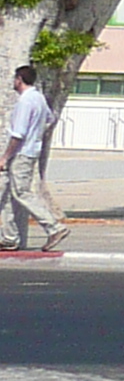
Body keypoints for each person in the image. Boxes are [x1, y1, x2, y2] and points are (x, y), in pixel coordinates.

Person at [2, 63, 67, 252]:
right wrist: (37, 135)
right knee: (10, 194)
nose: (13, 82)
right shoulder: (38, 98)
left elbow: (18, 134)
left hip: (21, 153)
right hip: (31, 152)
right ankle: (9, 237)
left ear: (19, 79)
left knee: (22, 193)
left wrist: (5, 157)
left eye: (15, 79)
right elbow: (50, 118)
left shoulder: (25, 101)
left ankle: (54, 227)